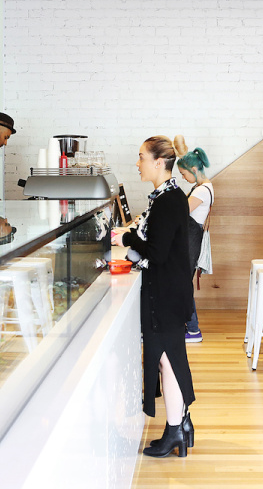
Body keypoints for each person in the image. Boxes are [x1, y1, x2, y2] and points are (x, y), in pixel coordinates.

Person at [111, 135, 195, 458]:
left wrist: (128, 239)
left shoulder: (168, 200)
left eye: (141, 157)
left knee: (167, 358)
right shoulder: (168, 196)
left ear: (159, 163)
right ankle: (181, 424)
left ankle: (175, 430)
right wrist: (132, 238)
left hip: (167, 293)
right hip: (169, 290)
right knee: (169, 357)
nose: (137, 163)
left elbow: (157, 253)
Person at [175, 136, 213, 343]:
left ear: (194, 170)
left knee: (183, 284)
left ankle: (193, 330)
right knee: (182, 283)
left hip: (191, 240)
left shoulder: (202, 190)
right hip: (190, 239)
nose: (183, 177)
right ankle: (188, 327)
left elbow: (181, 213)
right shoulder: (202, 187)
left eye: (183, 174)